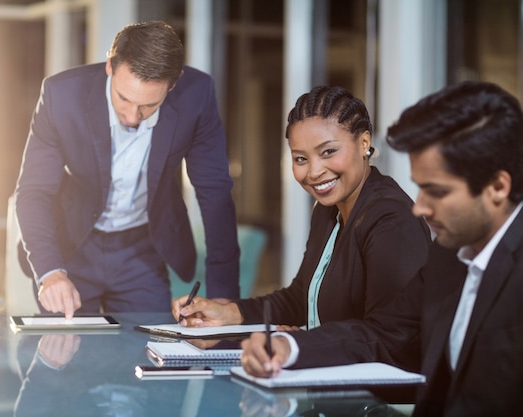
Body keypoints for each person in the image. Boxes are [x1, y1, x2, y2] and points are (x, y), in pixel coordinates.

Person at [240, 81, 523, 417]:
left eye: (437, 191)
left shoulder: (396, 221)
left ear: (497, 187)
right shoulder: (450, 256)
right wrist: (290, 346)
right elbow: (382, 334)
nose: (420, 208)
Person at [173, 86, 431, 352]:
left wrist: (295, 344)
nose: (315, 171)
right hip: (329, 380)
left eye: (328, 152)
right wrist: (229, 313)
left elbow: (389, 337)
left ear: (364, 143)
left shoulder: (391, 219)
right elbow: (301, 300)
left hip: (380, 392)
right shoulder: (327, 210)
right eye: (300, 159)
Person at [14, 21, 240, 318]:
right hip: (72, 244)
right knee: (66, 357)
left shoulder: (196, 96)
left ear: (173, 84)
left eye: (149, 105)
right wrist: (50, 271)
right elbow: (34, 191)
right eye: (123, 99)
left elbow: (215, 192)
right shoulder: (62, 96)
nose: (133, 117)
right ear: (110, 66)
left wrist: (225, 303)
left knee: (147, 351)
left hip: (142, 250)